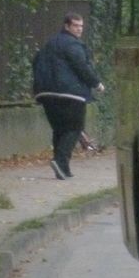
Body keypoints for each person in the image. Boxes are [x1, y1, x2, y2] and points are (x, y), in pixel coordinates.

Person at [33, 13, 105, 180]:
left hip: (46, 93)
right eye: (75, 26)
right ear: (66, 26)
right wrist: (96, 83)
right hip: (71, 93)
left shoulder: (49, 44)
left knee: (60, 129)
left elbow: (36, 62)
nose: (79, 29)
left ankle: (62, 168)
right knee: (75, 128)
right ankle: (60, 161)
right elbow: (81, 66)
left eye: (81, 26)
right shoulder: (72, 44)